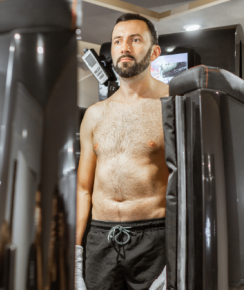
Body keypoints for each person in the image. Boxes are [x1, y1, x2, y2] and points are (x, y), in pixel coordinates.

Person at [75, 13, 169, 290]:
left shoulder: (173, 105)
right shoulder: (94, 114)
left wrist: (178, 251)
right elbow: (83, 189)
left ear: (154, 52)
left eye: (135, 39)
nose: (124, 47)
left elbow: (187, 186)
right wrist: (75, 249)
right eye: (118, 41)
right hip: (100, 237)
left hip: (154, 238)